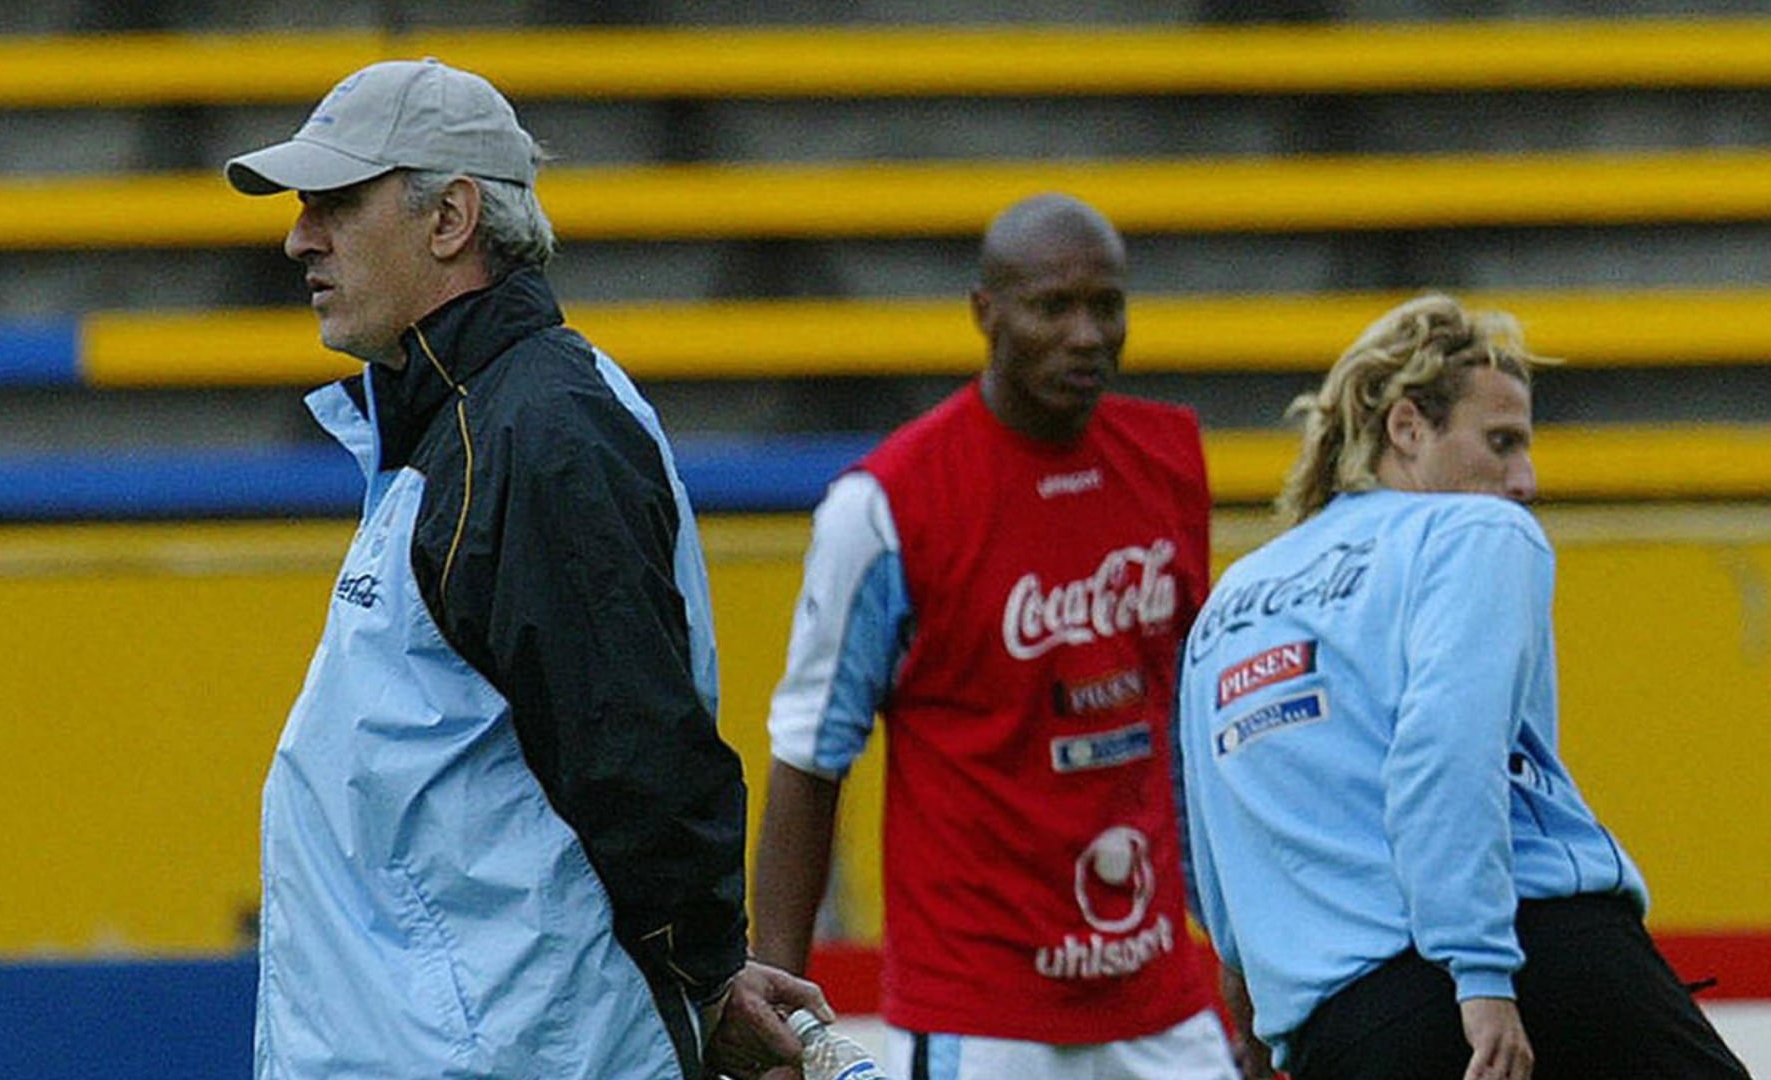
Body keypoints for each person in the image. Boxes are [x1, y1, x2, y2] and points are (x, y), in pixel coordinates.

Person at [224, 58, 827, 1080]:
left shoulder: (537, 433)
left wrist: (710, 977)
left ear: (452, 217)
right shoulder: (473, 420)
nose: (299, 236)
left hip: (516, 1054)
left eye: (335, 201)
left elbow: (641, 759)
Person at [1175, 294, 1753, 1080]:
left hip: (1344, 1030)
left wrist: (1252, 1017)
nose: (1524, 479)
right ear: (1408, 428)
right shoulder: (1473, 530)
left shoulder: (1232, 603)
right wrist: (1481, 977)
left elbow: (1210, 842)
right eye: (1502, 442)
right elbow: (1446, 756)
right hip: (1529, 965)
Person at [751, 193, 1240, 1080]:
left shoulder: (1170, 463)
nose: (1087, 334)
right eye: (1054, 307)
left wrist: (1238, 950)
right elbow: (810, 757)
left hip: (1161, 1000)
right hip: (980, 1015)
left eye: (1107, 306)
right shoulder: (888, 504)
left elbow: (1186, 736)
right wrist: (780, 1006)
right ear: (986, 312)